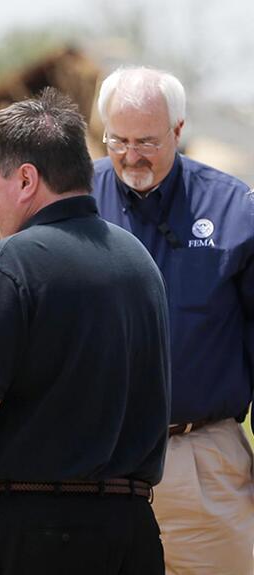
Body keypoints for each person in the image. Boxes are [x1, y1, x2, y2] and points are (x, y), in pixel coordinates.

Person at [0, 88, 170, 575]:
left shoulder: (12, 265)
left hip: (31, 533)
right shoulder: (137, 261)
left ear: (25, 180)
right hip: (131, 528)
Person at [91, 66, 254, 575]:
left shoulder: (235, 210)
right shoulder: (67, 201)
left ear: (179, 131)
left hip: (202, 460)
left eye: (148, 141)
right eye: (118, 140)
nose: (132, 156)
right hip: (94, 463)